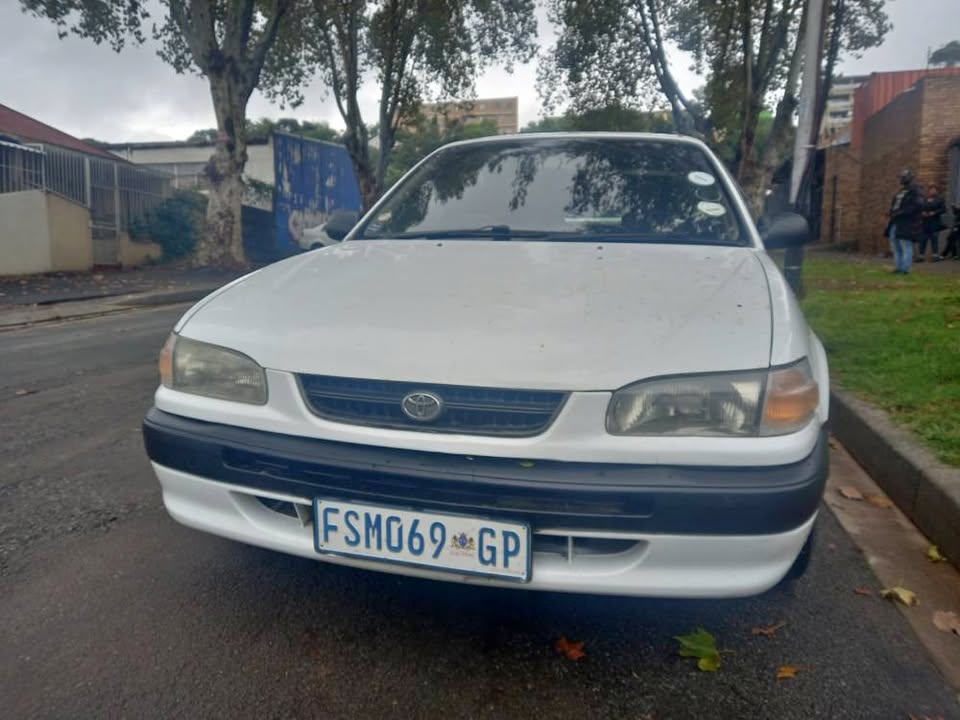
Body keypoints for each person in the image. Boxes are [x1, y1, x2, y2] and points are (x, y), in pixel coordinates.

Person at [886, 169, 922, 274]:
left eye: (903, 177)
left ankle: (905, 269)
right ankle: (899, 268)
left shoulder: (916, 191)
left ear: (909, 178)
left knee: (906, 245)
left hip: (907, 223)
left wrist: (901, 212)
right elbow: (895, 205)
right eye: (901, 177)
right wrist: (891, 212)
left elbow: (917, 206)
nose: (901, 179)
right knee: (895, 245)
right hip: (895, 221)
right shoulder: (901, 191)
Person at [919, 184, 946, 262]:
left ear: (937, 191)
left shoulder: (940, 199)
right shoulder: (925, 199)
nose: (932, 191)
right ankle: (921, 256)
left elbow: (943, 209)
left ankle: (935, 256)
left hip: (934, 223)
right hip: (925, 223)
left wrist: (934, 213)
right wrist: (922, 213)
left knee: (934, 239)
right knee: (923, 240)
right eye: (931, 190)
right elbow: (920, 208)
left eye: (934, 190)